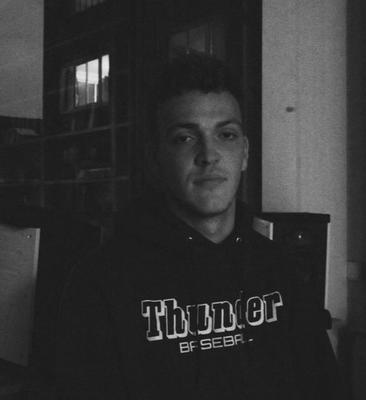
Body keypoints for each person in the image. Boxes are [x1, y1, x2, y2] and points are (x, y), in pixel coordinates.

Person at [54, 52, 339, 399]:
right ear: (155, 158)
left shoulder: (279, 268)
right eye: (185, 138)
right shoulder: (100, 283)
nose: (209, 155)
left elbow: (325, 386)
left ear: (245, 153)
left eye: (226, 135)